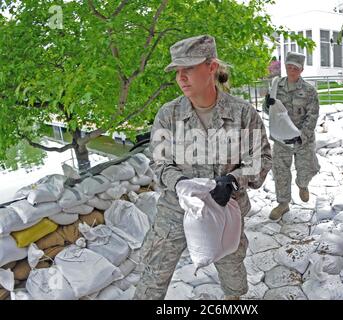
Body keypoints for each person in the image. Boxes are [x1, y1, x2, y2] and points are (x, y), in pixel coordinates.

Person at [133, 35, 272, 300]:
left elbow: (261, 159)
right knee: (153, 270)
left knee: (231, 266)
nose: (181, 78)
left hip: (226, 206)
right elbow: (159, 162)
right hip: (177, 208)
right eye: (177, 71)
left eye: (189, 69)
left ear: (211, 67)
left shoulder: (243, 113)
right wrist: (180, 183)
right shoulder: (169, 114)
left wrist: (233, 179)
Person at [265, 52, 320, 220]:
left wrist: (302, 135)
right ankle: (283, 204)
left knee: (305, 169)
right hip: (282, 139)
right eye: (289, 67)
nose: (291, 70)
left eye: (295, 68)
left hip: (303, 139)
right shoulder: (276, 86)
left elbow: (313, 115)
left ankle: (303, 185)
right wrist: (267, 105)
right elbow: (270, 111)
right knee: (280, 171)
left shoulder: (309, 91)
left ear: (301, 70)